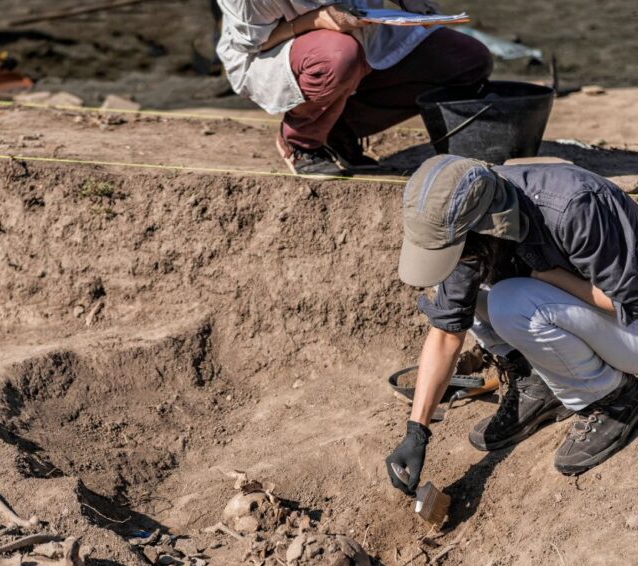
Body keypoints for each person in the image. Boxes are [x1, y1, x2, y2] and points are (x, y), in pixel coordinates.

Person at [386, 154, 638, 496]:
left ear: (482, 224)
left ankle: (613, 397)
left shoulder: (573, 208)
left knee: (509, 302)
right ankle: (543, 382)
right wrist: (416, 431)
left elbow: (630, 303)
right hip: (591, 316)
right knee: (467, 295)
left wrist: (550, 278)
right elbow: (447, 331)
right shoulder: (472, 218)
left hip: (630, 323)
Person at [216, 1, 492, 177]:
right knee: (338, 56)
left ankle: (339, 128)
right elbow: (254, 43)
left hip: (361, 33)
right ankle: (302, 140)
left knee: (466, 60)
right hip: (274, 49)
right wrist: (314, 20)